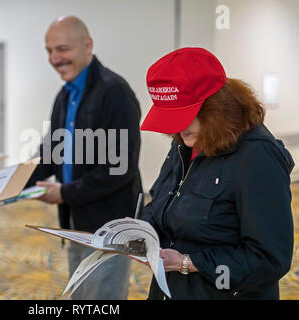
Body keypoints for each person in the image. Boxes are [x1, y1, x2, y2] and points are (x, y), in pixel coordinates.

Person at [140, 47, 294, 299]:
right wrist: (142, 232)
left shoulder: (256, 156)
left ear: (216, 107)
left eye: (183, 116)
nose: (177, 130)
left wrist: (188, 262)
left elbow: (270, 258)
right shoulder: (184, 142)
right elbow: (161, 200)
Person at [27, 16, 142, 300]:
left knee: (103, 297)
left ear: (87, 45)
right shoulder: (65, 95)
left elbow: (120, 167)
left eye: (62, 49)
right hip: (76, 221)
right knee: (80, 295)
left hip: (108, 223)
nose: (54, 58)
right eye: (49, 51)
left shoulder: (114, 92)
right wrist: (14, 179)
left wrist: (65, 192)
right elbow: (52, 151)